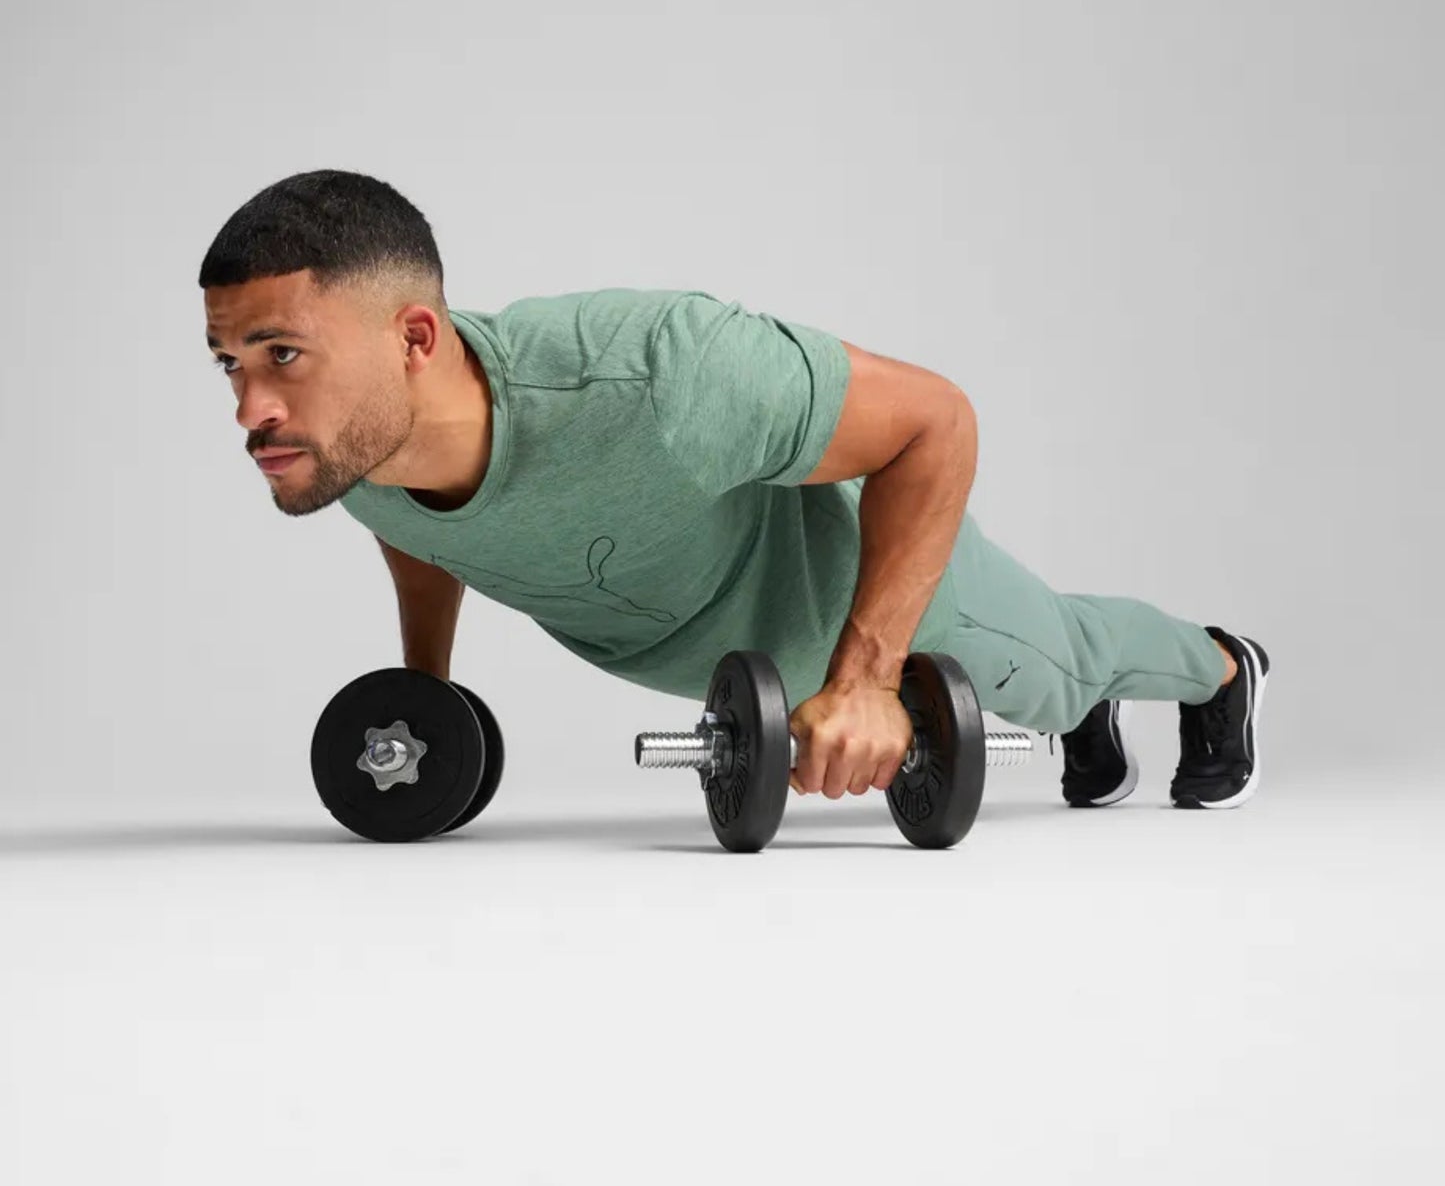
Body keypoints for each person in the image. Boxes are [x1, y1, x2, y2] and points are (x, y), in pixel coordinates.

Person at [200, 169, 1270, 810]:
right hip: (740, 663)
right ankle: (1076, 709)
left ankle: (1217, 667)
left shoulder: (663, 372)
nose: (249, 408)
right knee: (1042, 687)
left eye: (281, 352)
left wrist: (864, 680)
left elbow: (935, 419)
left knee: (1056, 662)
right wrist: (423, 688)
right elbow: (425, 532)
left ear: (415, 338)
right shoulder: (352, 448)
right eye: (230, 363)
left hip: (856, 591)